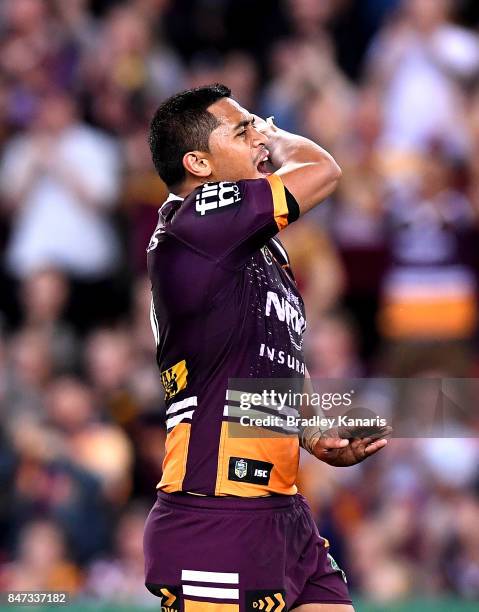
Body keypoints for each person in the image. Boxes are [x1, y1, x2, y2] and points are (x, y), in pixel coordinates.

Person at [144, 84, 389, 612]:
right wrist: (277, 136)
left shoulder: (251, 247)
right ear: (198, 164)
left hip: (283, 514)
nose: (257, 133)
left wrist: (310, 430)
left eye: (257, 125)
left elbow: (253, 368)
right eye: (241, 129)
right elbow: (323, 170)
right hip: (215, 514)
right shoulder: (195, 222)